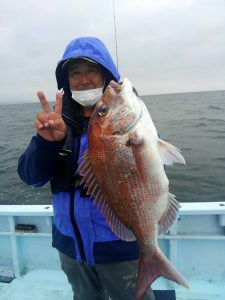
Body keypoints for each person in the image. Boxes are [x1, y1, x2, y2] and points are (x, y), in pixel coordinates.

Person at [18, 36, 155, 300]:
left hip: (118, 246)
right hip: (70, 248)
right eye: (75, 72)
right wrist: (46, 143)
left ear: (106, 74)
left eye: (92, 70)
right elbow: (30, 177)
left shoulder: (130, 121)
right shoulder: (58, 123)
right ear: (66, 81)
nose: (84, 79)